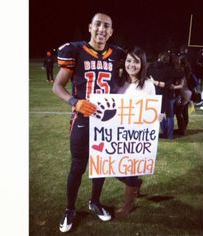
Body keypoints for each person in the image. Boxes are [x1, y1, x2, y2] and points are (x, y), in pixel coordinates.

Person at [52, 13, 125, 233]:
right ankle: (70, 209)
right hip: (83, 119)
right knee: (78, 166)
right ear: (90, 27)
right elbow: (57, 87)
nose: (102, 29)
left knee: (100, 164)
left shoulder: (117, 55)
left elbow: (127, 81)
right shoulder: (76, 50)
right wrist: (75, 102)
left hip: (106, 120)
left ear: (111, 32)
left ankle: (94, 201)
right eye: (98, 24)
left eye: (107, 26)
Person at [115, 46, 155, 218]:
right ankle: (136, 183)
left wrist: (157, 116)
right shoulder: (118, 82)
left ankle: (128, 204)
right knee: (113, 168)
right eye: (129, 60)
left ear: (142, 64)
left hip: (136, 136)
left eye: (136, 61)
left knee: (131, 169)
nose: (131, 64)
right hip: (117, 133)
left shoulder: (147, 84)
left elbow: (152, 109)